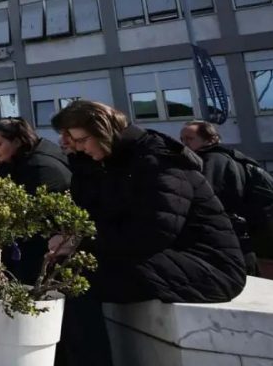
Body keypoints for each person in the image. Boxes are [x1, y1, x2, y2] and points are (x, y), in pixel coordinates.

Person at [51, 101, 246, 366]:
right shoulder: (115, 161)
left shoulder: (156, 158)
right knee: (61, 270)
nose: (79, 147)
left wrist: (81, 242)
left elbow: (154, 231)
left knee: (77, 278)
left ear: (103, 130)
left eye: (82, 140)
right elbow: (98, 213)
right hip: (168, 256)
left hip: (208, 265)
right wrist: (83, 164)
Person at [0, 118, 73, 284]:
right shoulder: (22, 161)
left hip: (47, 250)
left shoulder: (41, 167)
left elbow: (34, 216)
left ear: (17, 141)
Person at [180, 120, 258, 275]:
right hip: (238, 239)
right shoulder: (230, 157)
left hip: (227, 242)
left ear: (210, 139)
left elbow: (205, 199)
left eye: (190, 139)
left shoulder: (213, 160)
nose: (184, 144)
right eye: (182, 139)